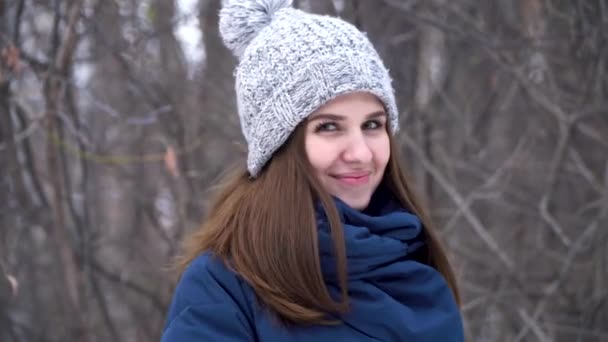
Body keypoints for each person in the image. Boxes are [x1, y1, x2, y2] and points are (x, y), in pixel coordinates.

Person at [161, 0, 464, 340]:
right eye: (329, 127)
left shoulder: (420, 271)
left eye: (373, 124)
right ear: (279, 145)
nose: (361, 152)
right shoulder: (224, 287)